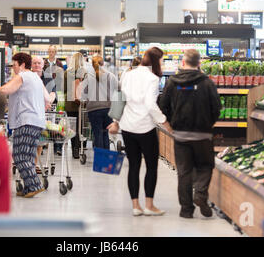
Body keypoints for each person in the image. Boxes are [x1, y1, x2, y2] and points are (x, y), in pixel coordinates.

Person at [107, 47, 173, 217]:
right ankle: (149, 205)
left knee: (134, 166)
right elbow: (151, 105)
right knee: (151, 166)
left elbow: (119, 98)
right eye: (162, 60)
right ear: (156, 61)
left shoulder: (128, 74)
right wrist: (165, 122)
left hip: (128, 127)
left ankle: (136, 205)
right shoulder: (152, 79)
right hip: (145, 128)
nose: (163, 63)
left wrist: (116, 122)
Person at [159, 49, 222, 219]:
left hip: (181, 135)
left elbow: (162, 105)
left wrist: (171, 124)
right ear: (199, 64)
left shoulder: (172, 82)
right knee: (205, 166)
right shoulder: (207, 83)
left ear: (183, 63)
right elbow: (217, 108)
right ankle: (200, 194)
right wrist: (208, 123)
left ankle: (186, 210)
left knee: (184, 171)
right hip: (203, 135)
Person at [0, 53, 49, 198]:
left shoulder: (23, 76)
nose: (13, 68)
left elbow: (6, 90)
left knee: (19, 155)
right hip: (36, 121)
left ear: (22, 65)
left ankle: (34, 185)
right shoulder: (35, 78)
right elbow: (47, 98)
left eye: (14, 65)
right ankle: (27, 188)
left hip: (26, 121)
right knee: (28, 155)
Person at [82, 55, 118, 149]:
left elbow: (83, 94)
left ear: (92, 65)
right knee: (105, 133)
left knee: (97, 134)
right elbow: (118, 91)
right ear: (103, 63)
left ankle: (99, 160)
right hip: (108, 109)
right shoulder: (111, 76)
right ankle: (106, 159)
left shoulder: (88, 77)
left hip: (93, 110)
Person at [32, 55, 57, 170]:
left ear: (43, 65)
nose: (37, 65)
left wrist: (49, 100)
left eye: (39, 63)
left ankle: (35, 164)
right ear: (31, 65)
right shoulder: (27, 76)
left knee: (40, 139)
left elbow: (53, 93)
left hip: (43, 112)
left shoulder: (48, 78)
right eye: (34, 63)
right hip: (30, 112)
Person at [64, 52, 86, 159]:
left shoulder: (67, 72)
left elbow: (63, 89)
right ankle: (82, 147)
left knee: (73, 128)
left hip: (69, 104)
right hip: (82, 104)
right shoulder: (85, 73)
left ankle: (75, 150)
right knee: (81, 126)